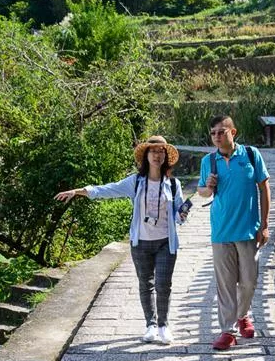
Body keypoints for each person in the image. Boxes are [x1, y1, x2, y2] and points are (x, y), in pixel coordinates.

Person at [55, 135, 188, 345]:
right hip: (141, 243)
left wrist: (182, 214)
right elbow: (107, 189)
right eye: (153, 151)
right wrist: (78, 192)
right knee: (146, 284)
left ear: (166, 157)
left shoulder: (173, 184)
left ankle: (163, 325)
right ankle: (150, 325)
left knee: (164, 285)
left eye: (161, 151)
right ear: (146, 155)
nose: (157, 155)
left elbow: (178, 213)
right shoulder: (135, 182)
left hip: (165, 242)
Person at [197, 115, 271, 350]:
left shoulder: (251, 155)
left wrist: (265, 224)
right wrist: (208, 187)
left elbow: (264, 187)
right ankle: (227, 330)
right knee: (225, 284)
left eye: (221, 132)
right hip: (221, 231)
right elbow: (202, 193)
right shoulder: (209, 161)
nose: (217, 137)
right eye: (213, 133)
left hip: (249, 230)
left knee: (249, 282)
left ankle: (242, 315)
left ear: (233, 132)